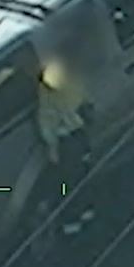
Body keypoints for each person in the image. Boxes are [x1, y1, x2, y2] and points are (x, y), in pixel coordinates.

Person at [37, 59, 96, 236]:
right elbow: (84, 99)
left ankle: (73, 218)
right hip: (78, 135)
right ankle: (83, 210)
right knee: (78, 176)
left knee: (66, 183)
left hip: (67, 140)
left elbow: (47, 120)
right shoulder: (73, 75)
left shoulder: (48, 86)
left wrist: (52, 147)